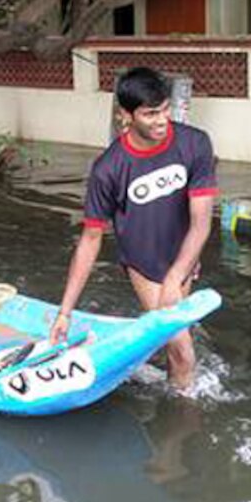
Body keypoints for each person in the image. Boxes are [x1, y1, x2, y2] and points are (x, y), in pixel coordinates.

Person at [50, 67, 218, 391]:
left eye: (165, 110)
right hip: (144, 263)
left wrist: (175, 277)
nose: (161, 120)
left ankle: (168, 382)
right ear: (126, 115)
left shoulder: (195, 143)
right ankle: (182, 428)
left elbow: (201, 223)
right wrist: (65, 312)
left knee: (172, 341)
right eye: (150, 113)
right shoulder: (108, 169)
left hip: (184, 257)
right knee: (183, 352)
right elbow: (90, 239)